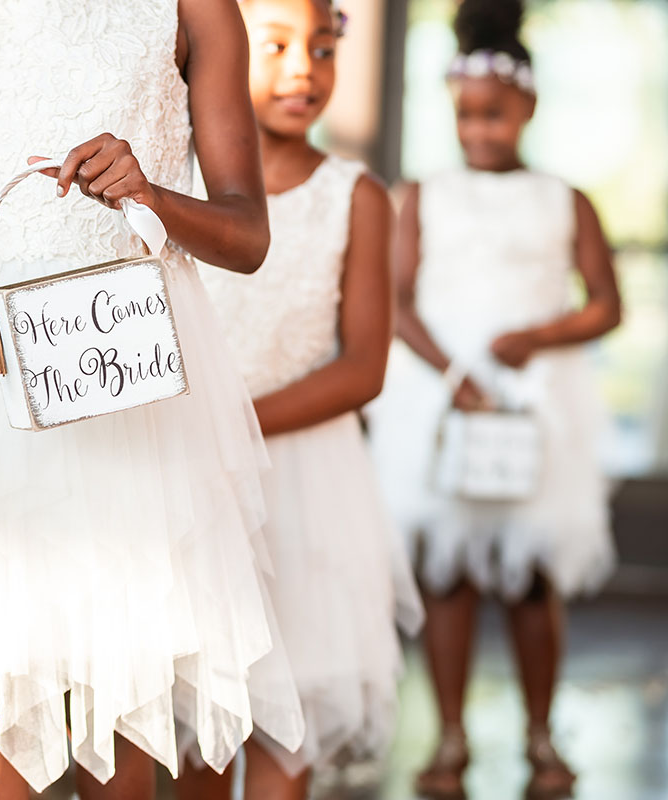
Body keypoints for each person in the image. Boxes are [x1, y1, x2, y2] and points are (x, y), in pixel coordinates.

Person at [0, 0, 307, 797]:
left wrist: (150, 195)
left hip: (125, 375)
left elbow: (246, 234)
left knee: (121, 724)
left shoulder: (195, 8)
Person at [366, 1, 622, 797]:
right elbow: (398, 303)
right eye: (466, 116)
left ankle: (541, 738)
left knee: (531, 573)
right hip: (448, 403)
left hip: (537, 404)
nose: (480, 130)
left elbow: (606, 305)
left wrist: (537, 338)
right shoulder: (424, 194)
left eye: (496, 115)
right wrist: (455, 374)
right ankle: (450, 739)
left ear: (529, 108)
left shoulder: (565, 199)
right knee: (450, 570)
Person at [176, 2, 423, 798]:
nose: (302, 71)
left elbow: (363, 369)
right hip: (195, 482)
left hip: (307, 486)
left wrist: (235, 423)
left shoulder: (356, 197)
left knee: (290, 725)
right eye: (277, 46)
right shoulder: (175, 182)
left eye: (323, 49)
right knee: (199, 719)